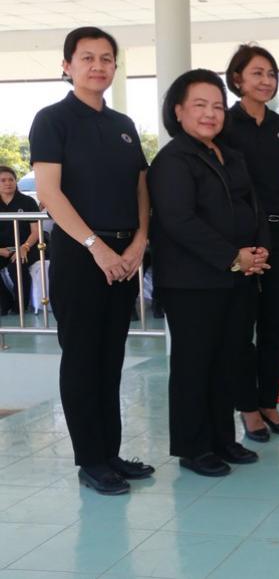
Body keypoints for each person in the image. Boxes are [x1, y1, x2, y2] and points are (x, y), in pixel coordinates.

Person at [29, 26, 152, 495]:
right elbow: (49, 193)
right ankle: (91, 460)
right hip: (81, 256)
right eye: (87, 58)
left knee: (111, 358)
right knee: (82, 359)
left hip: (123, 257)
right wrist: (96, 247)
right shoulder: (52, 119)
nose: (98, 66)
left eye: (106, 58)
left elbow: (141, 187)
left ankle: (110, 452)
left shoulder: (123, 124)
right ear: (67, 66)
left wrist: (139, 241)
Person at [149, 69, 270, 477]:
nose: (210, 114)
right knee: (194, 363)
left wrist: (260, 248)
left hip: (236, 276)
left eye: (217, 106)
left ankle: (222, 439)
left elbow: (253, 206)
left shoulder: (229, 154)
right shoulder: (172, 160)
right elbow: (179, 221)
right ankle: (193, 447)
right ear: (178, 111)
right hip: (191, 282)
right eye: (199, 105)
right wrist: (234, 256)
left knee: (228, 359)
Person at [220, 44, 279, 442]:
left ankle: (269, 402)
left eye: (271, 74)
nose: (266, 80)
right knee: (241, 326)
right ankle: (247, 408)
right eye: (257, 73)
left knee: (275, 325)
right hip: (240, 237)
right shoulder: (223, 123)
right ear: (237, 78)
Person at [0, 166, 40, 314]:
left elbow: (36, 231)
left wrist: (24, 247)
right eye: (3, 180)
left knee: (16, 266)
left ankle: (20, 306)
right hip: (3, 249)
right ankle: (5, 302)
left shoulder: (28, 202)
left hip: (27, 246)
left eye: (11, 179)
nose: (8, 183)